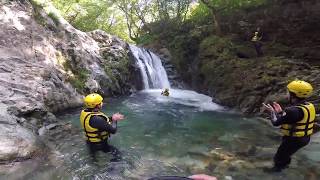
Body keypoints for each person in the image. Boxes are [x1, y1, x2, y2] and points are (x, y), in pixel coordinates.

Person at [262, 80, 315, 172]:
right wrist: (280, 112)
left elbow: (275, 122)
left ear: (294, 94)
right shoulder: (309, 106)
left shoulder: (292, 110)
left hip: (294, 139)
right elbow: (292, 119)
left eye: (288, 92)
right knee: (286, 154)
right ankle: (286, 166)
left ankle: (277, 172)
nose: (287, 94)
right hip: (305, 138)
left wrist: (272, 112)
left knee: (279, 157)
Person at [80, 93, 125, 161]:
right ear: (97, 105)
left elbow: (101, 123)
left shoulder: (85, 113)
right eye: (100, 102)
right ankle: (113, 170)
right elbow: (113, 130)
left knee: (94, 160)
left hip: (90, 143)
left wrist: (111, 118)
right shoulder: (96, 119)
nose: (102, 103)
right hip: (100, 144)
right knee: (118, 155)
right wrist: (115, 120)